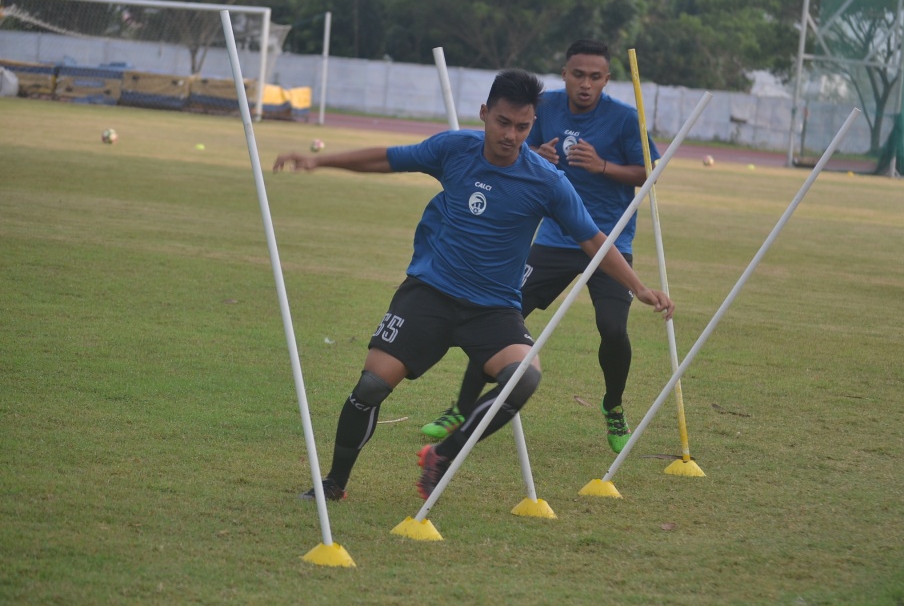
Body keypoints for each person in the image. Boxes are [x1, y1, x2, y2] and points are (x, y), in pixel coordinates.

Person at [273, 69, 674, 502]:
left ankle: (443, 454)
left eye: (522, 127)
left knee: (523, 378)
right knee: (370, 386)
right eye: (503, 122)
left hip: (493, 308)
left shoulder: (546, 181)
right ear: (485, 113)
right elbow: (389, 158)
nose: (512, 135)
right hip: (430, 293)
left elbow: (594, 238)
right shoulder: (454, 149)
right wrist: (319, 160)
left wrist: (638, 287)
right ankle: (333, 483)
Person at [420, 39, 659, 453]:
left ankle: (614, 408)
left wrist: (602, 166)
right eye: (578, 75)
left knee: (613, 328)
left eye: (595, 77)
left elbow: (649, 173)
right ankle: (460, 408)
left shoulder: (623, 119)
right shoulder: (540, 108)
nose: (586, 84)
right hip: (552, 239)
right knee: (497, 319)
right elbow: (511, 150)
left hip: (606, 240)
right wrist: (536, 152)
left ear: (606, 79)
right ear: (564, 74)